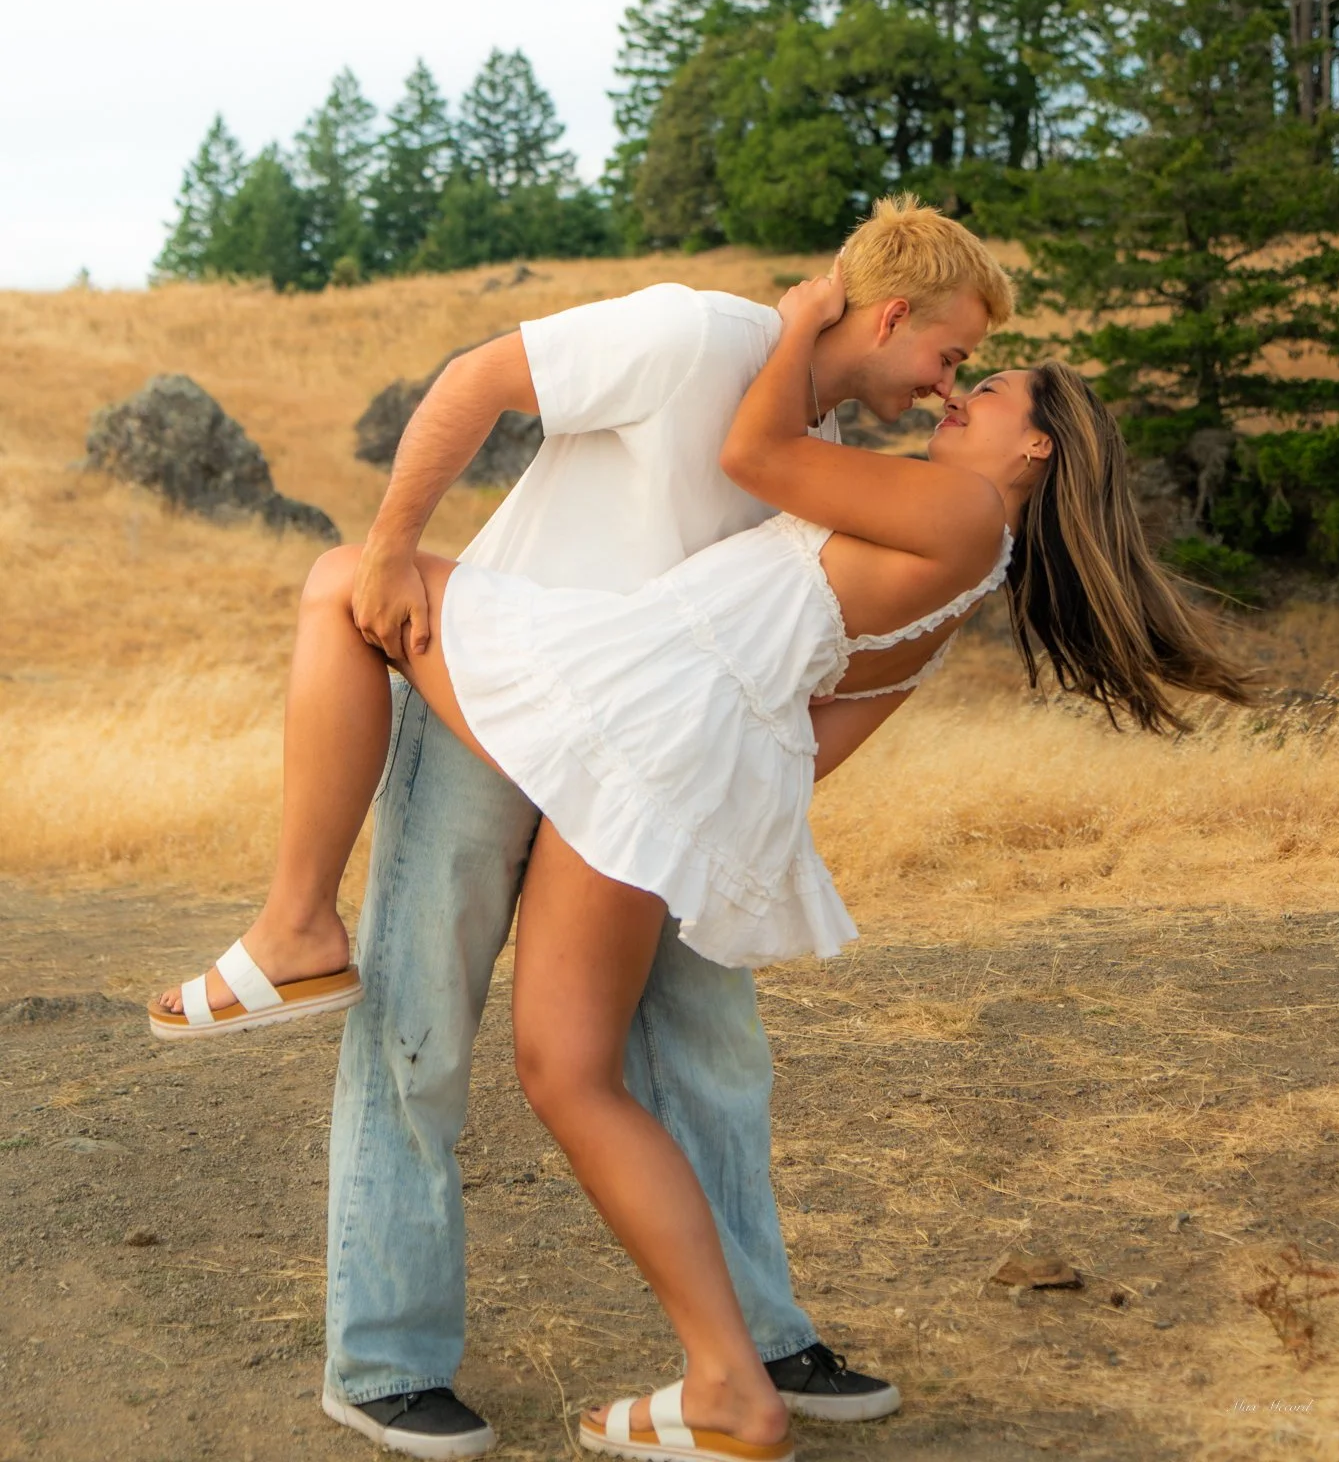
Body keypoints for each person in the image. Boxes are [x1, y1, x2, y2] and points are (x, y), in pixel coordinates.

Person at [151, 228, 1254, 1462]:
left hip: (624, 707)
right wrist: (723, 804)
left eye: (982, 384)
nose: (957, 387)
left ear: (1035, 446)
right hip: (658, 738)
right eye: (961, 358)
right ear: (889, 316)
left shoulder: (928, 493)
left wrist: (793, 317)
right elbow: (832, 720)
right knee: (564, 1067)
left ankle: (296, 924)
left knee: (333, 586)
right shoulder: (905, 503)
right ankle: (669, 1371)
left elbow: (750, 455)